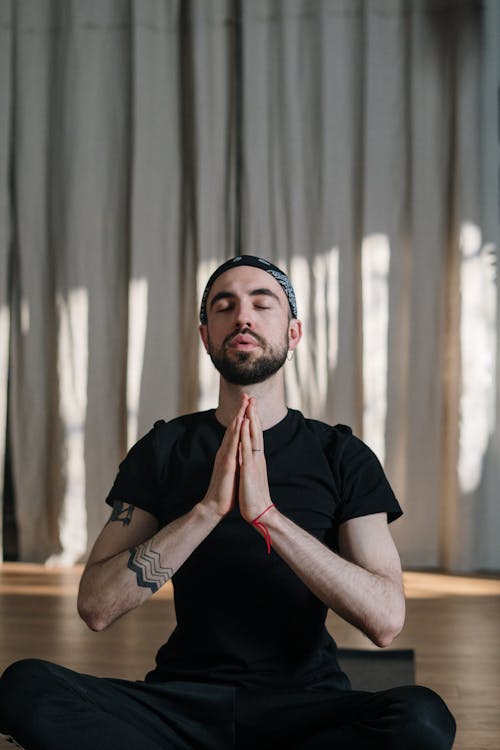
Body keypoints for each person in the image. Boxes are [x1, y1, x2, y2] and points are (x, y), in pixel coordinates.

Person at [0, 255, 456, 749]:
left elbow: (385, 620)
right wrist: (206, 512)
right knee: (25, 688)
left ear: (294, 332)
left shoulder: (341, 456)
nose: (243, 317)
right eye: (225, 306)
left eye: (263, 304)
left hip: (304, 707)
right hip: (184, 706)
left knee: (422, 719)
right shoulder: (165, 449)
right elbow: (96, 606)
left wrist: (268, 518)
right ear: (206, 336)